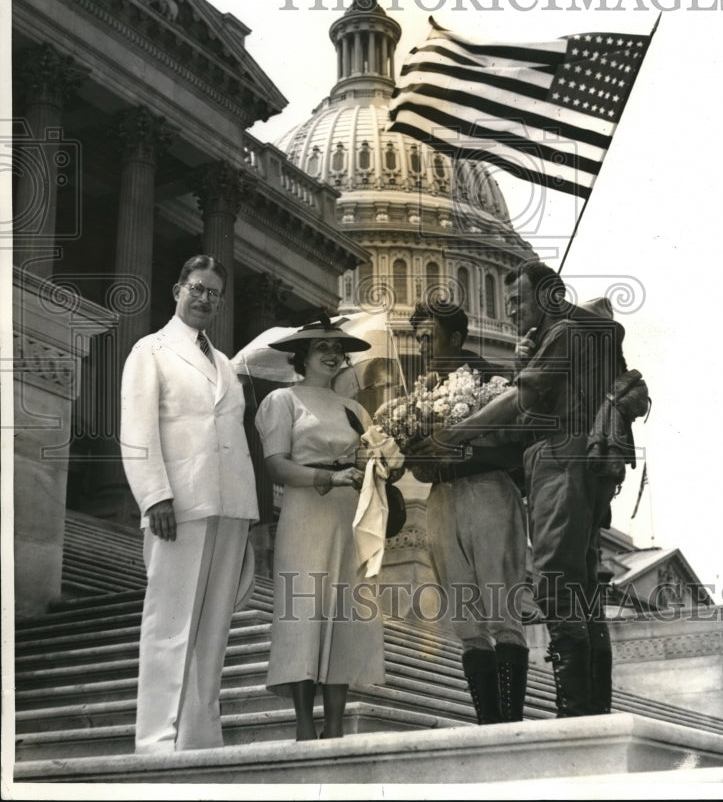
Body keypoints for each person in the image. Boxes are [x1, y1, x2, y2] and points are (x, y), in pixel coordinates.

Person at [428, 261, 643, 719]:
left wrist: (456, 433)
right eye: (506, 302)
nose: (509, 311)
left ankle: (575, 710)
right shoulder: (566, 337)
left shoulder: (564, 334)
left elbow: (521, 400)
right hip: (572, 460)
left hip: (560, 460)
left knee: (554, 581)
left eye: (516, 301)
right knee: (580, 586)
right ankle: (589, 707)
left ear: (548, 298)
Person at [120, 255, 259, 753]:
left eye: (214, 293)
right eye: (197, 289)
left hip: (229, 506)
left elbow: (234, 437)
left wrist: (249, 514)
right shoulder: (150, 350)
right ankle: (156, 741)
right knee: (170, 622)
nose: (204, 299)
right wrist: (154, 494)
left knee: (213, 627)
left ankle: (199, 736)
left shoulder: (224, 363)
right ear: (178, 290)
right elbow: (137, 431)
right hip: (178, 505)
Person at [255, 318, 389, 741]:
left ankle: (334, 725)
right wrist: (329, 479)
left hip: (350, 514)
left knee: (344, 615)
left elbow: (372, 461)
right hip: (305, 511)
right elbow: (276, 464)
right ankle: (303, 723)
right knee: (304, 611)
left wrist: (384, 459)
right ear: (302, 356)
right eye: (321, 348)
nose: (333, 355)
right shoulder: (282, 400)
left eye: (338, 348)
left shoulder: (356, 409)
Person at [407, 302, 531, 725]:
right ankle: (487, 722)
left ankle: (510, 723)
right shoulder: (419, 393)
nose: (422, 345)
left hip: (488, 492)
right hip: (441, 498)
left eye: (430, 337)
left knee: (501, 609)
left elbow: (519, 448)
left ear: (455, 339)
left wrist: (461, 447)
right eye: (419, 338)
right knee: (463, 616)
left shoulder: (493, 380)